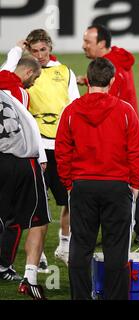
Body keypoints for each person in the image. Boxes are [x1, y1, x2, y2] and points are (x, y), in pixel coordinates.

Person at [55, 57, 139, 300]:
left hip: (83, 186)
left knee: (80, 248)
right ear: (113, 80)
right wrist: (135, 184)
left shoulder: (71, 110)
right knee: (116, 249)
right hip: (117, 187)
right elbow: (136, 150)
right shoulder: (125, 110)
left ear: (87, 80)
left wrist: (69, 183)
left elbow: (62, 150)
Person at [2, 29, 80, 269]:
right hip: (32, 149)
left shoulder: (64, 72)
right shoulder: (19, 84)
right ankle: (36, 258)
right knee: (35, 206)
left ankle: (64, 245)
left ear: (50, 48)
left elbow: (75, 106)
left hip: (59, 145)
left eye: (43, 50)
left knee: (68, 197)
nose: (39, 55)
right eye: (34, 51)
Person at [79, 24, 139, 245]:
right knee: (124, 177)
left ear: (102, 44)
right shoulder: (115, 62)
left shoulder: (114, 68)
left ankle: (123, 230)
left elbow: (108, 104)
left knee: (118, 178)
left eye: (88, 42)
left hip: (117, 132)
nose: (83, 46)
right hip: (125, 129)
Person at [0, 56, 49, 300]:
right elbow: (26, 125)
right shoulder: (16, 93)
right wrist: (40, 155)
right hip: (22, 160)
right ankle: (29, 278)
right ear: (28, 72)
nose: (33, 83)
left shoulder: (4, 83)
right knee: (36, 219)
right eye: (35, 77)